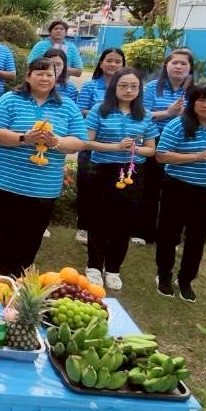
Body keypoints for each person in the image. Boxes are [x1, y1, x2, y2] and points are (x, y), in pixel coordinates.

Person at [0, 58, 87, 277]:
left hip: (41, 190)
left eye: (50, 74)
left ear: (56, 78)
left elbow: (79, 141)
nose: (45, 78)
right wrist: (24, 138)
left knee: (28, 245)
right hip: (5, 184)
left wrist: (55, 142)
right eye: (40, 73)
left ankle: (18, 282)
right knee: (1, 244)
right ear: (28, 76)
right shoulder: (10, 99)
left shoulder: (67, 106)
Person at [154, 81, 206, 303]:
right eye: (201, 99)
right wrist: (197, 156)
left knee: (196, 238)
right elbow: (162, 155)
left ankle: (186, 280)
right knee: (168, 235)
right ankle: (164, 275)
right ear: (192, 102)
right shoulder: (178, 125)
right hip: (177, 187)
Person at [84, 68, 158, 290]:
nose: (128, 90)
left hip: (132, 172)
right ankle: (94, 266)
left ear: (139, 89)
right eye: (123, 85)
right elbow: (87, 142)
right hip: (103, 170)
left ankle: (113, 268)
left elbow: (151, 150)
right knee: (99, 219)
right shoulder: (101, 110)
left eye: (133, 86)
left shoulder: (145, 114)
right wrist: (115, 147)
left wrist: (135, 148)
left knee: (124, 222)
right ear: (114, 87)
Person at [139, 48, 195, 245]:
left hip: (183, 144)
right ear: (166, 66)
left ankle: (171, 235)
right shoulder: (153, 87)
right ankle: (144, 232)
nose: (178, 67)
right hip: (154, 139)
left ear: (190, 68)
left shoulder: (194, 91)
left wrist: (185, 116)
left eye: (183, 63)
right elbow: (142, 113)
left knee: (176, 191)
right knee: (150, 188)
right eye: (174, 63)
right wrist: (168, 112)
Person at [74, 47, 126, 244]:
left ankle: (107, 227)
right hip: (92, 143)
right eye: (109, 60)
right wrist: (103, 115)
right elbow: (80, 111)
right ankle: (83, 226)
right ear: (101, 63)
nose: (113, 64)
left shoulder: (127, 88)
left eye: (117, 61)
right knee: (87, 185)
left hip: (119, 147)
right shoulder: (90, 86)